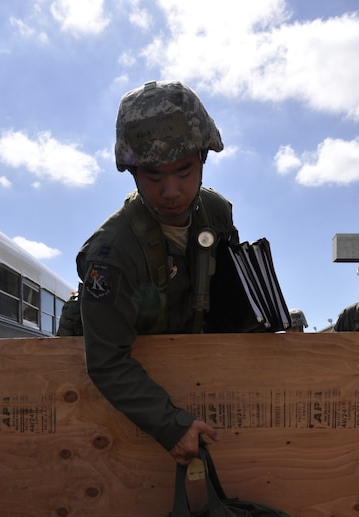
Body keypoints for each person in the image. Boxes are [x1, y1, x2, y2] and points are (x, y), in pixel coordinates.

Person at [77, 80, 238, 465]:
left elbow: (229, 300)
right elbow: (107, 361)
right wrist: (170, 424)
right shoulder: (111, 253)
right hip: (134, 408)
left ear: (203, 158)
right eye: (153, 176)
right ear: (133, 172)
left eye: (184, 171)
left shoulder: (216, 214)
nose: (171, 191)